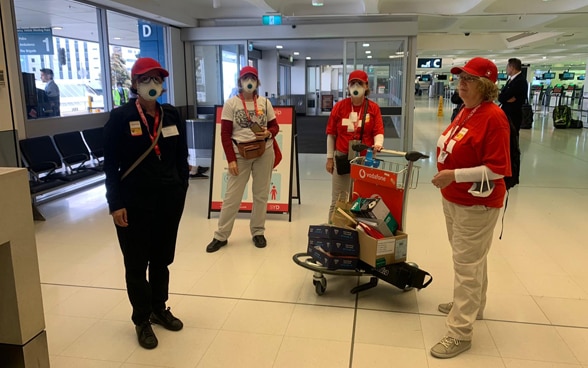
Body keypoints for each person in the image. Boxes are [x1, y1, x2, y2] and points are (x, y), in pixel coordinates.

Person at [103, 57, 189, 350]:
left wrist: (181, 188)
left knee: (162, 259)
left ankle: (158, 307)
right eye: (146, 79)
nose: (153, 84)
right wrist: (115, 204)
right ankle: (141, 318)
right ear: (135, 84)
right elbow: (110, 165)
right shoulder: (120, 117)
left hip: (168, 200)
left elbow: (181, 157)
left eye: (157, 79)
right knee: (137, 263)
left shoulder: (172, 115)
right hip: (134, 202)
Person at [430, 57, 511, 359]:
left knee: (465, 265)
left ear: (486, 86)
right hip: (454, 199)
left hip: (476, 203)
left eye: (470, 79)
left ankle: (460, 332)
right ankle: (472, 305)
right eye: (460, 78)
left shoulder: (493, 117)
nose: (462, 84)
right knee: (473, 258)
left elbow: (498, 169)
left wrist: (454, 175)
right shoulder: (466, 110)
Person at [205, 66, 279, 253]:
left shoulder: (264, 102)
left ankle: (258, 232)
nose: (249, 81)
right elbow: (225, 134)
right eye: (246, 78)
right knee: (232, 196)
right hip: (240, 154)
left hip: (264, 151)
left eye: (252, 78)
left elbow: (274, 126)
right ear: (240, 81)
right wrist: (231, 159)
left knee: (261, 194)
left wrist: (268, 133)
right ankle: (221, 235)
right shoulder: (231, 104)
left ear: (257, 82)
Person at [325, 70, 384, 221]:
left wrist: (378, 144)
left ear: (366, 86)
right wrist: (330, 158)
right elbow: (331, 134)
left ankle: (358, 232)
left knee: (362, 199)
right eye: (352, 83)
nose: (356, 86)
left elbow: (378, 130)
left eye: (359, 83)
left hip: (365, 160)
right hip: (342, 157)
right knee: (338, 199)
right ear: (348, 86)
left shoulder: (373, 108)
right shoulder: (340, 107)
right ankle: (334, 229)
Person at [498, 58, 528, 131]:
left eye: (507, 67)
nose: (506, 69)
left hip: (513, 115)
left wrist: (504, 97)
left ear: (512, 67)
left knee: (512, 135)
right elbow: (502, 96)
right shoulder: (511, 80)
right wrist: (504, 98)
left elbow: (504, 97)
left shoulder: (520, 81)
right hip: (507, 113)